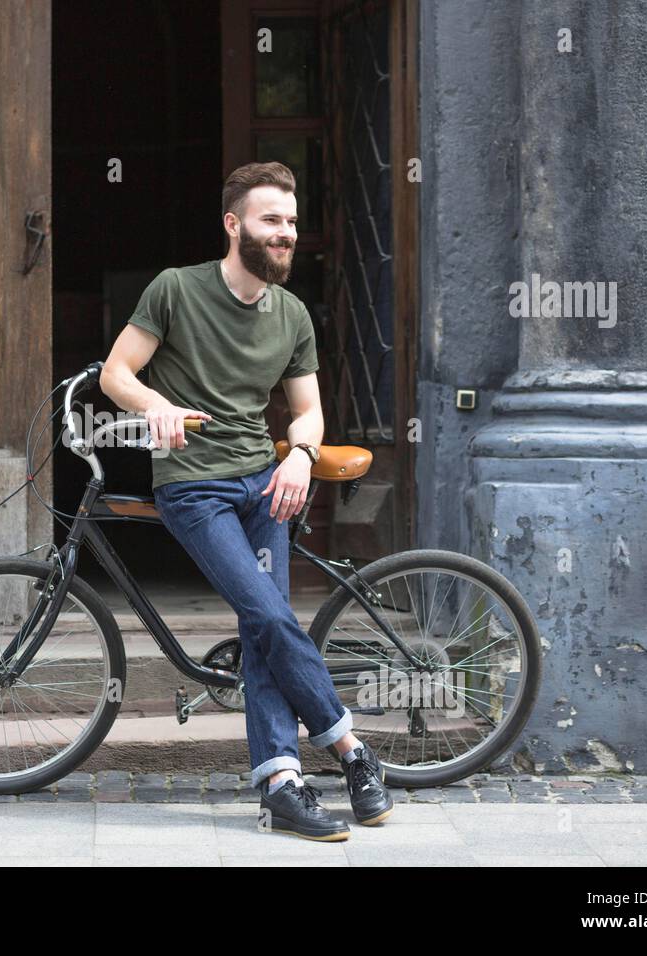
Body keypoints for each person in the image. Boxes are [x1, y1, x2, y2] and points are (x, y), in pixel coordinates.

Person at [99, 161, 392, 841]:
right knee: (267, 611)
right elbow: (117, 373)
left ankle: (283, 786)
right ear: (234, 225)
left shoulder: (291, 315)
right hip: (193, 486)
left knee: (265, 629)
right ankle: (352, 749)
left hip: (265, 485)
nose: (287, 233)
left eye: (292, 221)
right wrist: (157, 405)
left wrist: (301, 457)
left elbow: (308, 412)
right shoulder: (175, 291)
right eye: (272, 220)